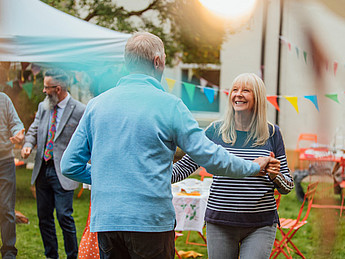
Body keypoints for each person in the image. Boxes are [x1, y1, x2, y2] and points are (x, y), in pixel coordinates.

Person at [60, 32, 279, 259]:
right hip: (151, 223)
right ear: (158, 62)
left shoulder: (96, 105)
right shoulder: (170, 106)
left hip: (107, 222)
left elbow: (69, 165)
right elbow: (211, 157)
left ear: (127, 61)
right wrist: (254, 167)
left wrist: (108, 177)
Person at [172, 73, 294, 259]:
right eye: (235, 89)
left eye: (246, 90)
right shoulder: (215, 131)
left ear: (258, 98)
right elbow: (186, 166)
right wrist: (152, 173)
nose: (238, 94)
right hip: (220, 222)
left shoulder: (272, 133)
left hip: (260, 224)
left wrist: (275, 175)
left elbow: (288, 187)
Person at [21, 68, 85, 259]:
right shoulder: (44, 106)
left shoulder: (80, 110)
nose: (44, 91)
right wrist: (27, 144)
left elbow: (85, 139)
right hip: (43, 169)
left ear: (58, 88)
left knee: (64, 216)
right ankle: (51, 256)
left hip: (64, 172)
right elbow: (34, 129)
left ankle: (72, 256)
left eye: (47, 87)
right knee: (44, 218)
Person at [0, 92, 24, 259]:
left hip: (5, 161)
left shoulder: (4, 99)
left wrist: (19, 133)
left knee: (6, 207)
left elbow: (16, 124)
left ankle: (9, 252)